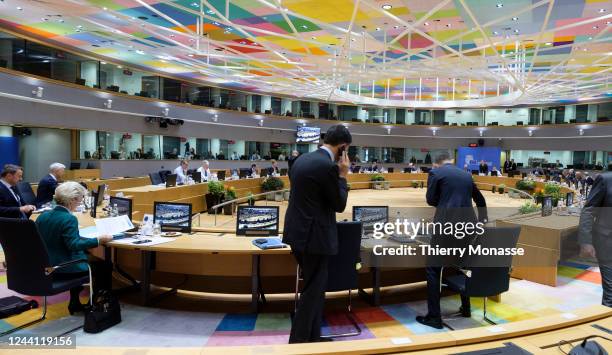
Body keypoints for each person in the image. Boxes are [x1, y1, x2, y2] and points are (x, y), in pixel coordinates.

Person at [283, 125, 351, 343]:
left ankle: (312, 337)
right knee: (313, 291)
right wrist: (342, 176)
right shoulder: (329, 167)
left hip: (296, 233)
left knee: (314, 287)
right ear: (343, 147)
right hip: (315, 238)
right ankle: (298, 342)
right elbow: (339, 204)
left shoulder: (301, 159)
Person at [417, 152, 487, 329]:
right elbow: (480, 200)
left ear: (436, 164)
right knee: (463, 265)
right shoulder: (466, 175)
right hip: (468, 227)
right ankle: (466, 308)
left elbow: (430, 200)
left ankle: (434, 317)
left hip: (445, 226)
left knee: (433, 268)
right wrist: (482, 222)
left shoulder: (436, 173)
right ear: (451, 161)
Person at [35, 181, 113, 314]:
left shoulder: (42, 216)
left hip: (47, 265)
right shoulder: (68, 218)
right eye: (80, 200)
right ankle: (95, 304)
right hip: (64, 267)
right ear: (72, 200)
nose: (80, 203)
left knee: (84, 257)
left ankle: (75, 302)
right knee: (104, 266)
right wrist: (98, 240)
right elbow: (73, 245)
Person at [579, 172, 612, 307]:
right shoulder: (606, 179)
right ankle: (605, 325)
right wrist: (586, 242)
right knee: (611, 292)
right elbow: (588, 211)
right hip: (607, 242)